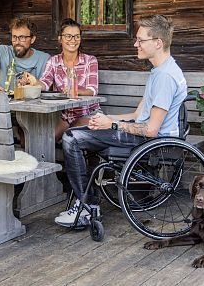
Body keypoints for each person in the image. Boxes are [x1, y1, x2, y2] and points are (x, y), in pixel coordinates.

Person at [54, 15, 188, 227]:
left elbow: (152, 129)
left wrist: (113, 125)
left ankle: (86, 208)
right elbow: (138, 115)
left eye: (140, 40)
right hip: (143, 135)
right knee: (85, 127)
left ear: (158, 43)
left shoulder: (165, 77)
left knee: (71, 138)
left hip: (151, 142)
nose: (136, 44)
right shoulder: (159, 71)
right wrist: (106, 119)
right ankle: (87, 202)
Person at [22, 18, 100, 141]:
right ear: (60, 39)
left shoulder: (90, 61)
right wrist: (34, 82)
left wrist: (73, 89)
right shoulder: (53, 61)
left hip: (88, 114)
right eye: (68, 36)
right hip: (65, 116)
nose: (73, 40)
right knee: (46, 140)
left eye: (76, 36)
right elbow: (45, 84)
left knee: (70, 138)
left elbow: (92, 90)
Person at [0, 17, 50, 90]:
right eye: (14, 37)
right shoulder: (3, 51)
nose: (17, 42)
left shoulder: (45, 59)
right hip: (5, 99)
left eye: (22, 37)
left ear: (32, 39)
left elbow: (48, 88)